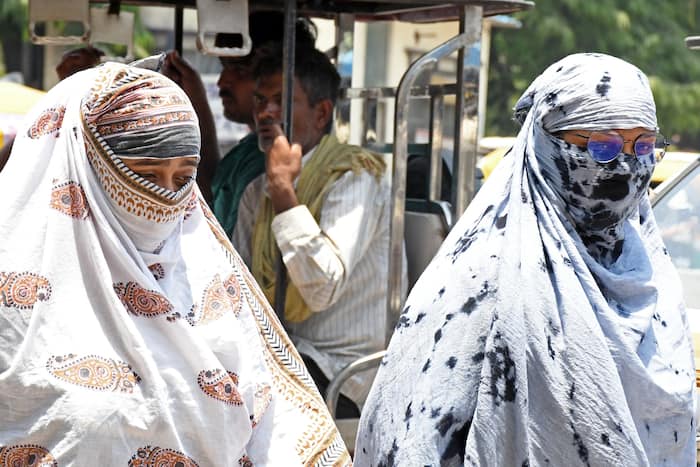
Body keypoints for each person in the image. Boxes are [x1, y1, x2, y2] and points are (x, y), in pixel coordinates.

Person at [0, 62, 351, 465]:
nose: (162, 199)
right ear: (88, 172)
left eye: (181, 179)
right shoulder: (16, 295)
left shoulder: (206, 279)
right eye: (145, 176)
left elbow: (273, 430)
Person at [355, 53, 696, 465]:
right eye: (602, 146)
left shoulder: (649, 274)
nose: (625, 165)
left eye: (642, 146)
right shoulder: (484, 275)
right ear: (546, 144)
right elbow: (410, 437)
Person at [233, 46, 403, 419]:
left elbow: (322, 287)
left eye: (281, 101)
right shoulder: (255, 192)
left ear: (321, 112)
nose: (265, 113)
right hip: (284, 353)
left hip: (343, 374)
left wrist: (284, 194)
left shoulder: (356, 177)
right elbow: (242, 289)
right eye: (261, 101)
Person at [161, 11, 317, 236]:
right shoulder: (250, 150)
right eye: (224, 67)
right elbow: (212, 199)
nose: (222, 81)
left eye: (238, 69)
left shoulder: (277, 160)